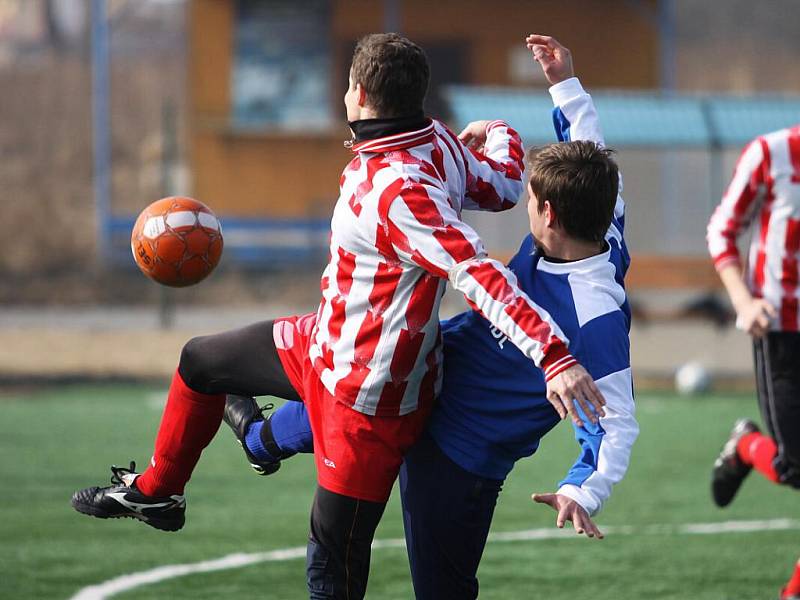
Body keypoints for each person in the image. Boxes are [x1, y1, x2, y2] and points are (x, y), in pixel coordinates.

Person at [71, 33, 606, 600]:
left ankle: (258, 445)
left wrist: (555, 358)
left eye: (349, 85)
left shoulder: (399, 188)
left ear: (360, 94)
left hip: (369, 400)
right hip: (321, 344)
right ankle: (159, 492)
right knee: (200, 362)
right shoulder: (436, 142)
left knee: (333, 570)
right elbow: (500, 185)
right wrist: (500, 131)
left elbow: (479, 274)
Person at [225, 33, 638, 599]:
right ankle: (261, 442)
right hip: (430, 371)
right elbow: (590, 147)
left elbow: (616, 421)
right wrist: (563, 82)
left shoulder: (595, 321)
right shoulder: (601, 211)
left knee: (441, 590)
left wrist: (582, 490)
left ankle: (262, 442)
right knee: (343, 394)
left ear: (548, 211)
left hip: (459, 458)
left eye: (529, 197)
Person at [707, 117, 800, 599]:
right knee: (796, 468)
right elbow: (722, 231)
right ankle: (746, 445)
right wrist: (744, 302)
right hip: (781, 330)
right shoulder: (773, 152)